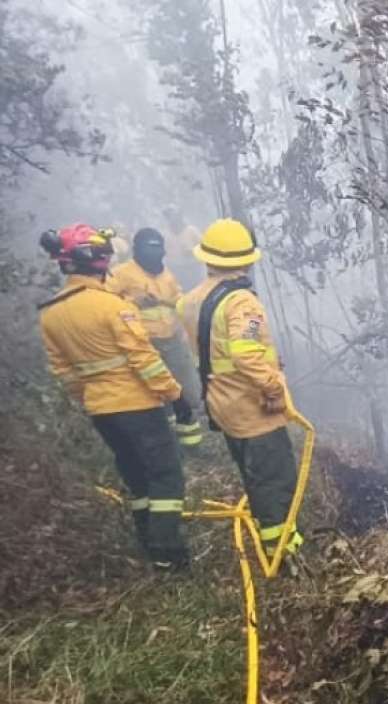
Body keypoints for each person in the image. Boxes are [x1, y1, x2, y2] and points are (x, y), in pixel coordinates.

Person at [37, 223, 190, 569]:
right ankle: (168, 553)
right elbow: (143, 358)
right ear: (97, 260)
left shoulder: (51, 314)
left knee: (135, 475)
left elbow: (64, 372)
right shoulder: (111, 306)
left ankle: (149, 543)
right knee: (166, 474)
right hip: (137, 405)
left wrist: (92, 396)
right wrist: (175, 395)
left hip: (101, 410)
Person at [177, 218, 303, 556]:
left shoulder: (190, 300)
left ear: (207, 259)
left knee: (254, 473)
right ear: (246, 260)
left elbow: (212, 351)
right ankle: (282, 551)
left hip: (221, 401)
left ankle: (271, 533)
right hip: (252, 406)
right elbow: (246, 355)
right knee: (274, 477)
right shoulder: (242, 303)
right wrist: (273, 387)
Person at [106, 228, 204, 448]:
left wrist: (185, 306)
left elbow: (178, 300)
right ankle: (169, 442)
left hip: (174, 340)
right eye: (149, 248)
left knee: (189, 391)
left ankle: (191, 442)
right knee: (160, 395)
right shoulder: (121, 274)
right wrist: (135, 303)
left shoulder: (166, 275)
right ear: (137, 250)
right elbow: (106, 305)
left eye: (158, 248)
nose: (155, 254)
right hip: (145, 344)